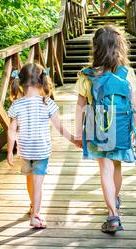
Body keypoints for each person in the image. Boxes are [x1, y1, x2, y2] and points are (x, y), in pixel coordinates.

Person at [74, 26, 136, 233]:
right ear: (120, 47)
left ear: (95, 48)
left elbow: (80, 107)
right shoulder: (127, 73)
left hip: (98, 129)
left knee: (105, 169)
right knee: (117, 167)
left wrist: (79, 134)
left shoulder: (86, 75)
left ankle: (113, 215)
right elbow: (135, 105)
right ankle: (115, 201)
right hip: (121, 126)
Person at [7, 63, 82, 229]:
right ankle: (35, 216)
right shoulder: (48, 103)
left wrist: (9, 151)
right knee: (38, 183)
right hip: (41, 151)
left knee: (29, 179)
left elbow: (12, 129)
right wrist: (74, 139)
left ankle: (32, 205)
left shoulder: (16, 105)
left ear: (21, 82)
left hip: (25, 151)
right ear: (42, 81)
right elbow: (59, 127)